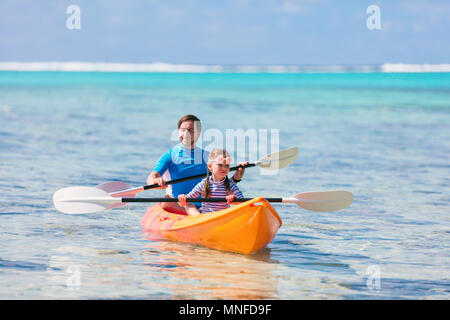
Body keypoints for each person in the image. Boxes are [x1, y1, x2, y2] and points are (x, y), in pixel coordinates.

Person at [147, 114, 247, 214]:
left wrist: (236, 177)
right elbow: (152, 177)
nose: (186, 133)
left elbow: (220, 184)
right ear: (178, 132)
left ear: (198, 134)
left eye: (190, 130)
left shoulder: (208, 157)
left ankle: (199, 215)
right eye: (183, 130)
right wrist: (156, 181)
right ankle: (195, 216)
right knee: (167, 200)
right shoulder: (169, 156)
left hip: (206, 206)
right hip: (180, 204)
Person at [178, 149, 244, 216]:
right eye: (220, 165)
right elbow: (184, 203)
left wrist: (234, 200)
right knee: (190, 207)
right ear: (210, 166)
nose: (224, 168)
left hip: (223, 218)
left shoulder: (231, 184)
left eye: (227, 165)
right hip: (207, 218)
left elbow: (243, 202)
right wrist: (182, 199)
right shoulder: (203, 184)